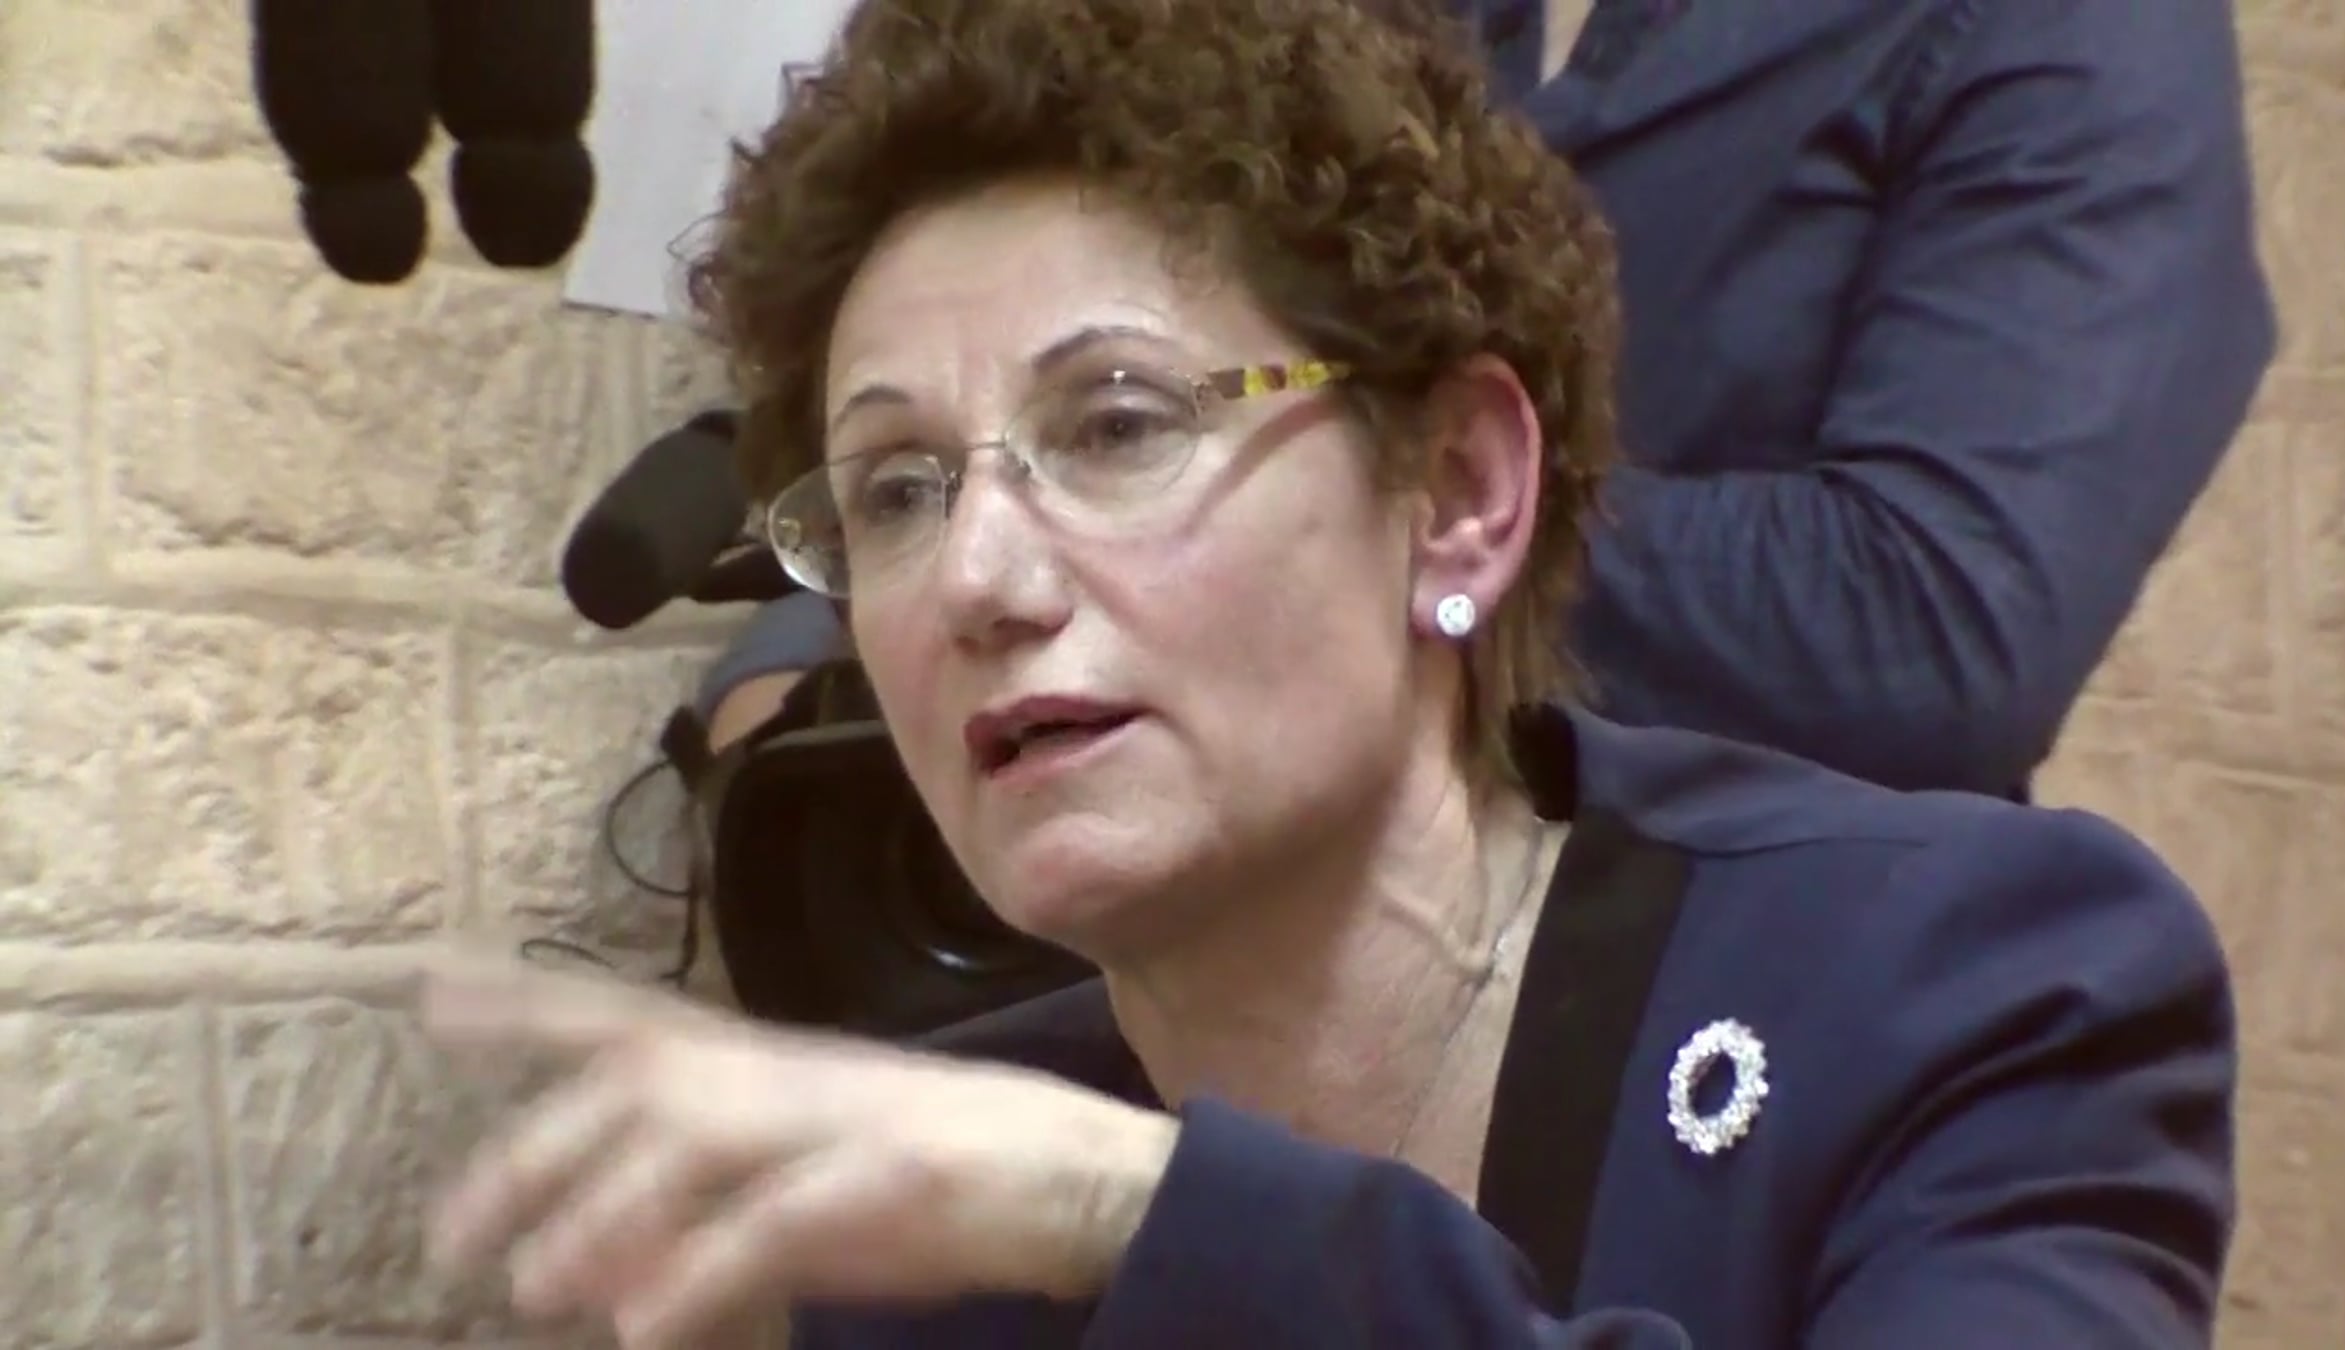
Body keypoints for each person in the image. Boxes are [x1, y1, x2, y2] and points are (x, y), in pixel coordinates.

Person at [417, 2, 2239, 1347]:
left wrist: (1137, 1216)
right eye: (897, 488)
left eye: (1118, 423)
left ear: (1459, 496)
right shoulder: (929, 1229)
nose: (974, 579)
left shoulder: (1979, 998)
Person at [692, 0, 2274, 797]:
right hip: (1137, 983)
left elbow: (1938, 630)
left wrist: (1341, 488)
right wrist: (789, 667)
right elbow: (927, 281)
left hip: (1710, 1019)